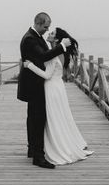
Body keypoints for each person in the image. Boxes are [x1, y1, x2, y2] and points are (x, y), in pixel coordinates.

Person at [23, 27, 93, 166]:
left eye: (53, 33)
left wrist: (29, 65)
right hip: (58, 87)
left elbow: (47, 75)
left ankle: (56, 147)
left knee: (53, 118)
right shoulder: (62, 53)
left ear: (56, 39)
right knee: (59, 117)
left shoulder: (54, 55)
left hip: (51, 88)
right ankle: (59, 143)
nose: (49, 33)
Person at [17, 12, 71, 169]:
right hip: (34, 85)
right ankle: (38, 157)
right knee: (37, 119)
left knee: (33, 118)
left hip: (36, 83)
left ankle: (32, 149)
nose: (47, 30)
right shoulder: (29, 39)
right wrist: (62, 46)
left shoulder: (36, 37)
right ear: (38, 23)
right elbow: (43, 56)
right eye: (46, 27)